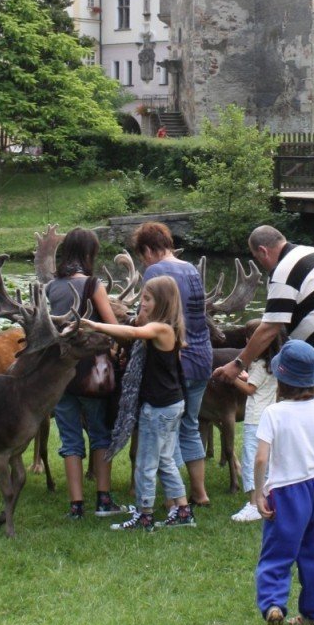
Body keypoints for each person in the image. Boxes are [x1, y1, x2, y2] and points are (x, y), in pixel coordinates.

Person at [214, 225, 314, 524]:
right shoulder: (311, 252)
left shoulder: (283, 269)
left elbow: (269, 327)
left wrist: (237, 364)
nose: (263, 267)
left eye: (259, 260)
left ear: (263, 252)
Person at [85, 275, 195, 531]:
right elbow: (137, 329)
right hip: (170, 404)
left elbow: (134, 332)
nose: (142, 303)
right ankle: (182, 511)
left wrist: (96, 325)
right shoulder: (169, 327)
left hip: (159, 407)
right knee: (165, 460)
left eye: (147, 299)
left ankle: (144, 515)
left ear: (162, 303)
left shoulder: (162, 329)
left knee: (146, 463)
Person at [253, 340, 314, 625]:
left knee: (277, 553)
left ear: (281, 378)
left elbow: (261, 458)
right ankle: (313, 614)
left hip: (284, 493)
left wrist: (260, 493)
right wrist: (307, 460)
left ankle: (274, 605)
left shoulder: (273, 413)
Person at [132, 222, 214, 508]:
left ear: (148, 250)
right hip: (202, 357)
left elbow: (147, 318)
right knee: (189, 426)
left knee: (166, 434)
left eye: (142, 256)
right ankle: (200, 493)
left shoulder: (155, 272)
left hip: (173, 363)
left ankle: (173, 499)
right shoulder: (190, 268)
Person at [44, 228, 122, 519]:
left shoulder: (53, 287)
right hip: (93, 372)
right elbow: (112, 326)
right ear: (89, 254)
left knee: (70, 438)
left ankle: (76, 506)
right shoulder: (93, 284)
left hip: (62, 372)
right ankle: (103, 501)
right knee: (100, 433)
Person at [229, 340, 279, 523]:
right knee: (268, 461)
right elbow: (262, 384)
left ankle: (253, 505)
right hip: (270, 418)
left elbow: (251, 390)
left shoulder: (258, 365)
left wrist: (232, 377)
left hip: (255, 419)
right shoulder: (273, 365)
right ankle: (267, 499)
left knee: (251, 460)